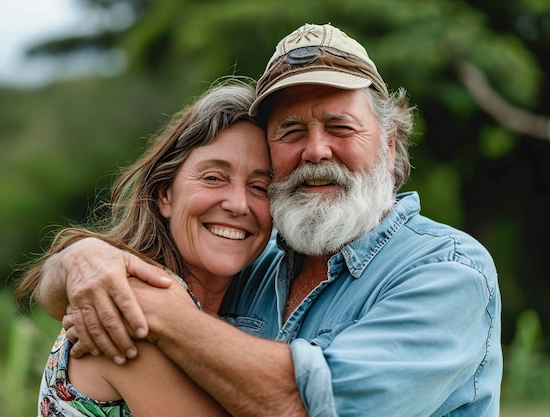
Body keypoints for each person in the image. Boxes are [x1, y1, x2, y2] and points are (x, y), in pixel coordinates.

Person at [35, 23, 503, 417]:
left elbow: (304, 405)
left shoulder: (446, 271)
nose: (316, 149)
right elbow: (56, 291)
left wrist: (160, 313)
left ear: (389, 145)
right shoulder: (248, 263)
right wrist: (82, 259)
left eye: (340, 127)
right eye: (291, 131)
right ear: (164, 195)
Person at [14, 79, 273, 416]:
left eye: (260, 186)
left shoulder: (256, 287)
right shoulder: (129, 305)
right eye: (213, 178)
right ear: (165, 194)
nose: (239, 204)